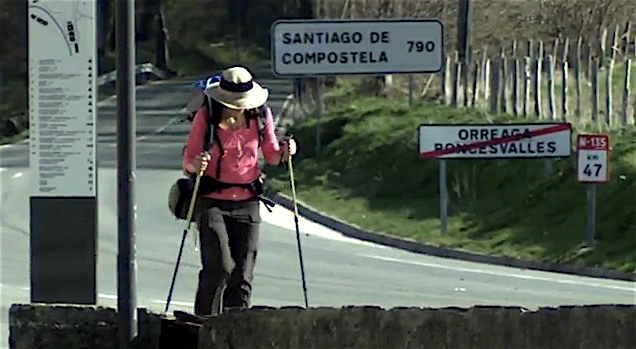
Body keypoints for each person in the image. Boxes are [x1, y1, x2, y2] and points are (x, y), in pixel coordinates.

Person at [181, 65, 297, 316]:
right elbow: (188, 162)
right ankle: (205, 324)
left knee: (243, 275)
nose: (239, 106)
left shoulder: (260, 115)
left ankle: (236, 330)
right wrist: (196, 164)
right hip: (212, 201)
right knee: (220, 268)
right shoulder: (207, 116)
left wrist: (286, 152)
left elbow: (272, 156)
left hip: (247, 202)